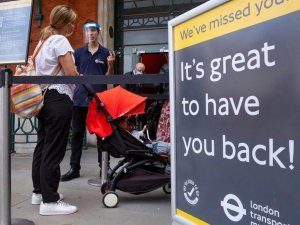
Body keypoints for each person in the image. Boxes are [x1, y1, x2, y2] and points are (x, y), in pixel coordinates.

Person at [31, 5, 78, 215]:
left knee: (43, 146)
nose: (74, 27)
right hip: (58, 99)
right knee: (54, 149)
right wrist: (79, 76)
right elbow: (70, 72)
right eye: (72, 23)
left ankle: (39, 193)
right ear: (66, 24)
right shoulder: (60, 40)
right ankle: (50, 202)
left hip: (43, 99)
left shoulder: (42, 42)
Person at [60, 19, 115, 182]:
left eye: (93, 30)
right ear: (85, 33)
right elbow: (72, 72)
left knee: (101, 135)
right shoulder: (77, 53)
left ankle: (103, 168)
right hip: (79, 99)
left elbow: (109, 78)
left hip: (99, 100)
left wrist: (111, 65)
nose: (90, 33)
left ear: (98, 32)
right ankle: (74, 168)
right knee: (76, 134)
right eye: (87, 31)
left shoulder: (106, 53)